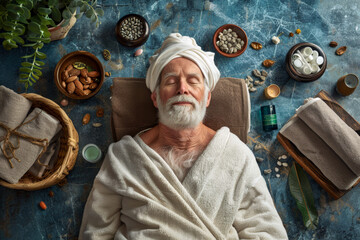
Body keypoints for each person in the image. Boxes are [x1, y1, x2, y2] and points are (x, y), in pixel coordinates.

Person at [79, 33, 288, 240]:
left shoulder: (236, 155)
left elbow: (267, 232)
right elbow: (96, 232)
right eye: (170, 81)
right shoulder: (123, 158)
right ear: (155, 97)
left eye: (193, 81)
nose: (182, 88)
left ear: (207, 98)